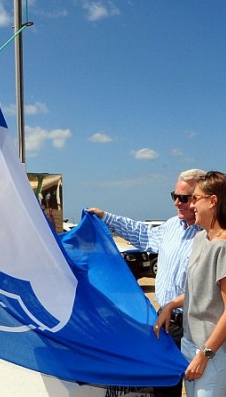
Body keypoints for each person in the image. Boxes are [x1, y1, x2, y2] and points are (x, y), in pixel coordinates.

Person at [87, 168, 206, 397]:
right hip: (166, 322)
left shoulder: (211, 235)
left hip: (197, 326)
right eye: (174, 196)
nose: (177, 203)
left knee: (197, 390)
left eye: (184, 198)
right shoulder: (171, 226)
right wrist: (105, 217)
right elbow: (142, 233)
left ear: (200, 198)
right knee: (162, 389)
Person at [154, 170, 226, 396]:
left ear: (213, 201)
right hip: (190, 344)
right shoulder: (200, 239)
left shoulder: (224, 247)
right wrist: (170, 305)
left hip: (214, 353)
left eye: (195, 199)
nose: (191, 205)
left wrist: (205, 354)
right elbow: (199, 291)